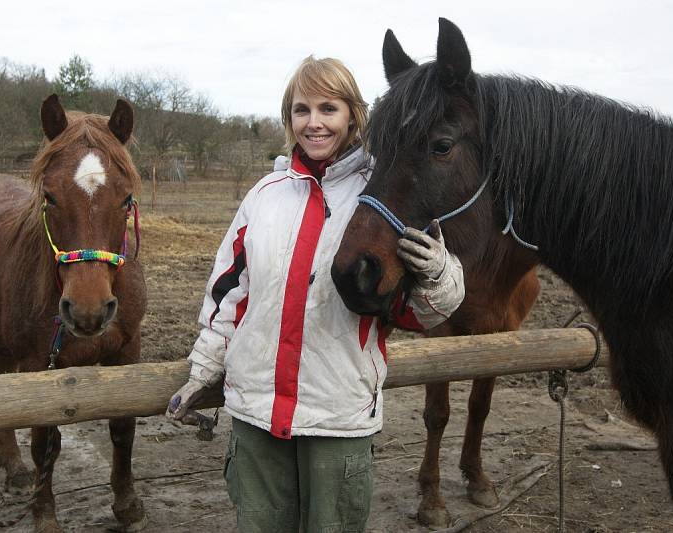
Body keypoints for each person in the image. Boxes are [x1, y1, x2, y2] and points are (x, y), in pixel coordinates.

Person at [168, 56, 465, 532]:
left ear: (353, 115)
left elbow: (423, 311)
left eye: (329, 108)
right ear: (288, 118)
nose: (314, 122)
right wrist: (203, 369)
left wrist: (439, 273)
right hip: (255, 411)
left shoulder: (383, 193)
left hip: (337, 414)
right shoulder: (264, 196)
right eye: (301, 109)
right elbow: (230, 293)